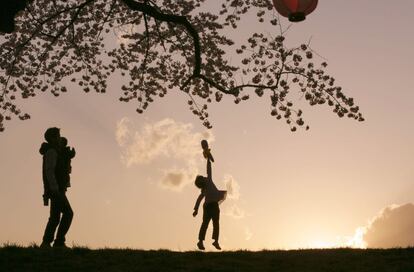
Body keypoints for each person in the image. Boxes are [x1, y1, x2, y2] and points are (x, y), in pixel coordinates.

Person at [39, 127, 74, 248]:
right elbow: (49, 171)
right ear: (53, 138)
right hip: (56, 190)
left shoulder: (56, 151)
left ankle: (49, 242)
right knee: (67, 214)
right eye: (58, 136)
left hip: (58, 189)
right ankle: (55, 242)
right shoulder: (52, 152)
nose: (60, 138)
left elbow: (63, 170)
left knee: (55, 217)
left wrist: (68, 158)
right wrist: (54, 189)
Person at [193, 141, 226, 250]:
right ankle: (200, 242)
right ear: (201, 182)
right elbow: (199, 199)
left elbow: (208, 169)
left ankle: (215, 241)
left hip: (213, 205)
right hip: (208, 206)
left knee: (215, 223)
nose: (203, 178)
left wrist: (208, 158)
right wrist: (196, 209)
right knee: (206, 224)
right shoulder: (204, 187)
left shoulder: (208, 180)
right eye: (201, 178)